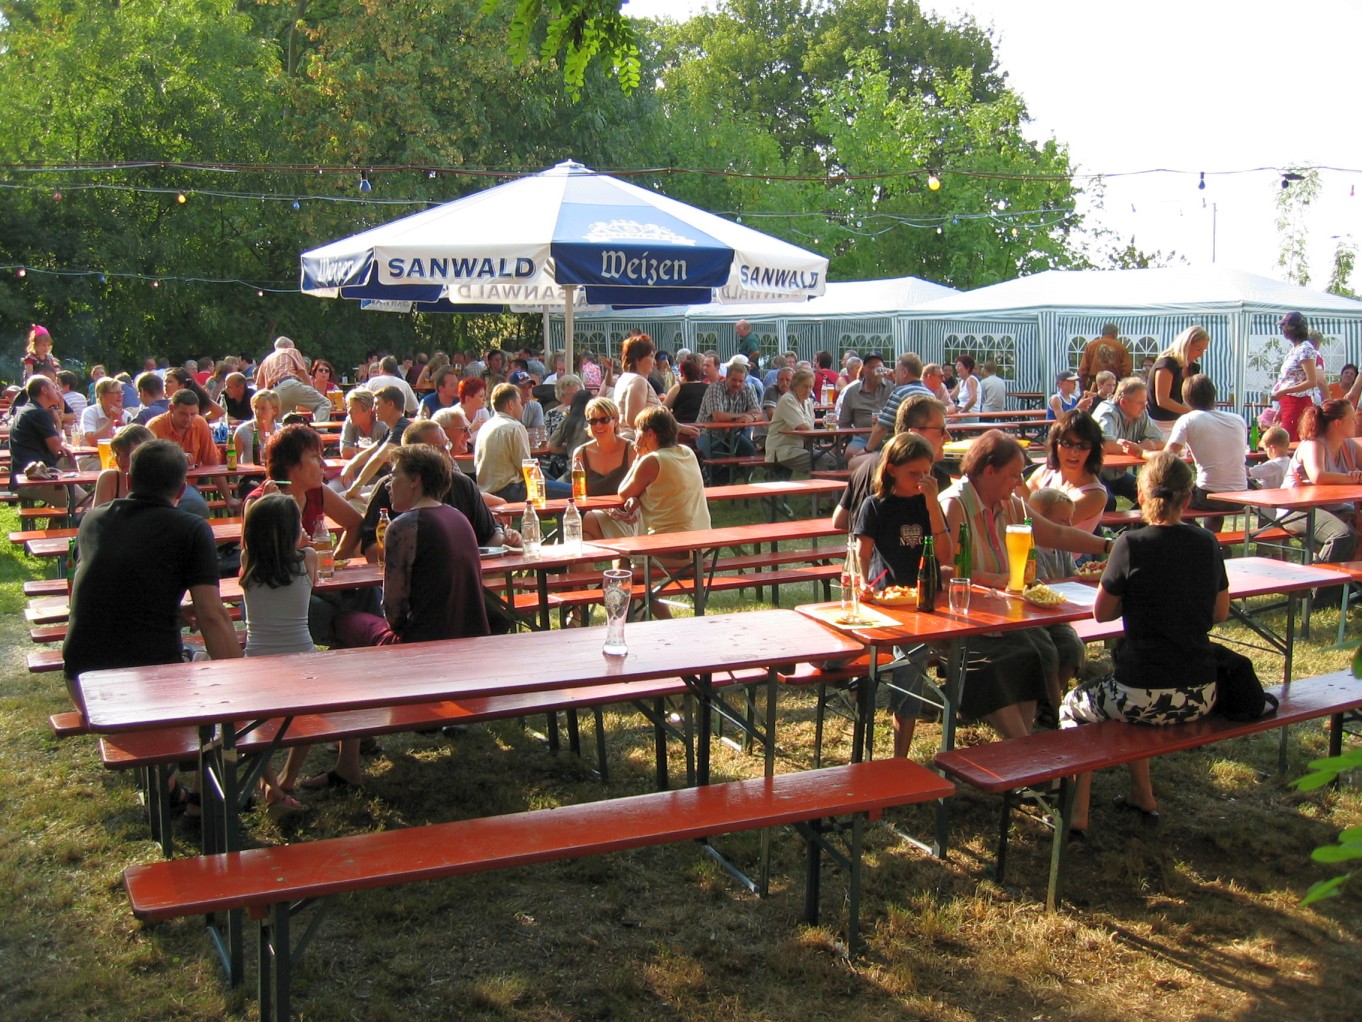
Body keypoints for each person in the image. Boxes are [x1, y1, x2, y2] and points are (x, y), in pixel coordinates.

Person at [1061, 453, 1230, 838]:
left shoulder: (1130, 543)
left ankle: (1077, 813)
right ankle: (1142, 794)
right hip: (1200, 692)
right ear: (1188, 498)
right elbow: (1220, 612)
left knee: (1073, 705)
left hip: (1140, 693)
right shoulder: (1207, 541)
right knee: (1128, 701)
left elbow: (1102, 613)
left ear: (1140, 494)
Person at [304, 444, 490, 790]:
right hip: (469, 648)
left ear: (415, 480)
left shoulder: (404, 526)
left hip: (422, 651)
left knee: (343, 626)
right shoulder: (458, 517)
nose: (389, 484)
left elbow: (392, 610)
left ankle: (348, 756)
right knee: (354, 634)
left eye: (395, 476)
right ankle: (354, 748)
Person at [940, 431, 1112, 738]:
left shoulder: (1011, 503)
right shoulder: (954, 504)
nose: (1019, 482)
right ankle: (1027, 741)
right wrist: (992, 580)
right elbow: (943, 571)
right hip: (971, 615)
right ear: (989, 471)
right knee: (1028, 652)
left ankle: (1031, 733)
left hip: (1009, 609)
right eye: (1013, 475)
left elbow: (1056, 534)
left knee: (1054, 647)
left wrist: (1109, 546)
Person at [63, 440, 242, 712]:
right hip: (150, 682)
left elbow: (110, 586)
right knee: (205, 667)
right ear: (182, 489)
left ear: (129, 480)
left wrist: (170, 609)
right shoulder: (191, 529)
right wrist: (243, 683)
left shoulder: (93, 519)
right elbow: (211, 615)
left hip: (82, 681)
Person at [853, 431, 953, 756]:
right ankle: (899, 751)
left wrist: (933, 504)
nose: (922, 480)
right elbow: (862, 553)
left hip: (925, 600)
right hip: (888, 600)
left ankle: (902, 752)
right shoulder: (875, 505)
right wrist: (863, 582)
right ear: (892, 469)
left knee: (917, 656)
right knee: (909, 657)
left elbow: (946, 554)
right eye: (914, 473)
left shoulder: (928, 505)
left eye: (927, 472)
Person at [239, 493, 317, 805]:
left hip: (256, 663)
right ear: (293, 530)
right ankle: (288, 778)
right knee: (308, 718)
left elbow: (253, 543)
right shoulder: (308, 558)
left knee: (253, 724)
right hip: (303, 659)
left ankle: (270, 784)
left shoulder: (248, 561)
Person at [832, 395, 953, 532]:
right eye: (941, 431)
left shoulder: (866, 466)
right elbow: (948, 534)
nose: (948, 437)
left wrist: (867, 530)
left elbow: (839, 520)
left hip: (860, 545)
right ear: (915, 434)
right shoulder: (930, 477)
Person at [1025, 487, 1089, 724]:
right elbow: (1040, 585)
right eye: (1062, 521)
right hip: (1034, 616)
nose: (1068, 526)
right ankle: (1054, 708)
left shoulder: (1061, 549)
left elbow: (1072, 574)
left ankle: (1050, 701)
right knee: (1047, 652)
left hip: (1057, 615)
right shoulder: (1032, 549)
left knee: (1072, 647)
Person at [1278, 399, 1361, 564]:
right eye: (1352, 418)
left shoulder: (1348, 445)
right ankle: (1318, 579)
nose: (1357, 422)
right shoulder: (1313, 444)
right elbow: (1318, 476)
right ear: (1338, 423)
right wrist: (1353, 478)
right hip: (1297, 509)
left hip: (1334, 508)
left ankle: (1349, 579)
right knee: (1342, 536)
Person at [1164, 374, 1248, 531]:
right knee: (1211, 492)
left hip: (1208, 496)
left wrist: (1141, 452)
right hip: (1240, 494)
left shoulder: (1188, 419)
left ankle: (1198, 534)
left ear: (1186, 399)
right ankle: (1211, 537)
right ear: (1213, 395)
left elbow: (1167, 457)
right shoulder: (1238, 419)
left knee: (1171, 499)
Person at [475, 383, 571, 501]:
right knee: (574, 491)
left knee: (549, 478)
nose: (522, 407)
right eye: (520, 403)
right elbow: (527, 468)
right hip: (510, 489)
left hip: (485, 492)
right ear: (511, 404)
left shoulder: (486, 426)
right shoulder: (514, 427)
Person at [146, 389, 233, 517]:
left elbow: (213, 464)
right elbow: (148, 466)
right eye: (183, 414)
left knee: (197, 507)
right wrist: (174, 457)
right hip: (160, 487)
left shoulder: (200, 423)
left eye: (193, 414)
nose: (188, 419)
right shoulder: (154, 426)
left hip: (187, 486)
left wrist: (228, 498)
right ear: (171, 409)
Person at [1027, 410, 1108, 536]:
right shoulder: (1046, 472)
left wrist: (1015, 480)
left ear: (1093, 450)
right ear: (1055, 444)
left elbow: (1050, 528)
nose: (1074, 452)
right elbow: (1020, 501)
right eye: (1067, 443)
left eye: (1083, 445)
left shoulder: (1095, 495)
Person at [8, 375, 82, 509]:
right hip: (32, 478)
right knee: (83, 502)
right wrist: (58, 423)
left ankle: (60, 519)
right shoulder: (38, 413)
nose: (58, 391)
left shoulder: (29, 409)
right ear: (44, 390)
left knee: (70, 467)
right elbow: (56, 448)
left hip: (26, 475)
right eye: (54, 387)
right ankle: (70, 519)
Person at [573, 397, 639, 542]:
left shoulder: (631, 450)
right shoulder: (581, 454)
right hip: (593, 515)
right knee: (588, 523)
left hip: (626, 517)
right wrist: (603, 509)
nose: (598, 425)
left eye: (604, 420)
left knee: (587, 529)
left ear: (616, 421)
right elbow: (578, 496)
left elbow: (641, 492)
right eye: (593, 421)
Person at [1095, 376, 1165, 509]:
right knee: (1107, 501)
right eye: (1140, 403)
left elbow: (1161, 441)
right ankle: (1121, 523)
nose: (1145, 407)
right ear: (1123, 402)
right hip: (1095, 474)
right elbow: (1106, 445)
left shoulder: (1141, 414)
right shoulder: (1107, 412)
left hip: (1117, 475)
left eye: (1145, 402)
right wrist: (1140, 448)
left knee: (1155, 495)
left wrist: (1149, 446)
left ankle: (1132, 522)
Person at [695, 357, 763, 475]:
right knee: (718, 460)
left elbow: (759, 414)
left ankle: (735, 482)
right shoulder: (714, 389)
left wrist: (751, 418)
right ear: (726, 378)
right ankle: (715, 482)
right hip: (707, 433)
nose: (737, 384)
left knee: (751, 455)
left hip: (733, 434)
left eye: (741, 381)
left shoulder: (748, 390)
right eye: (734, 380)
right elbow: (718, 416)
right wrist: (745, 415)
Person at [860, 353, 933, 460]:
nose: (894, 373)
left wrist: (866, 450)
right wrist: (895, 379)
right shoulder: (930, 394)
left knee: (854, 461)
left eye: (896, 371)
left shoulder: (899, 393)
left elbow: (881, 428)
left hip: (900, 453)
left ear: (904, 372)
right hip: (925, 451)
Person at [766, 368, 834, 476]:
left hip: (800, 448)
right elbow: (803, 428)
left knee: (834, 459)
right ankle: (824, 485)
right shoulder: (788, 400)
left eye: (810, 387)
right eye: (805, 386)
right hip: (782, 449)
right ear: (794, 386)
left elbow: (809, 429)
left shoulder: (808, 402)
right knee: (827, 461)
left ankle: (828, 485)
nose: (808, 390)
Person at [1271, 311, 1325, 441]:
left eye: (1284, 325)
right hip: (1288, 404)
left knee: (1291, 442)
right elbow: (1291, 380)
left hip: (1298, 404)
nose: (1281, 328)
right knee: (1286, 440)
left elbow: (1311, 381)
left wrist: (1284, 391)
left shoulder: (1305, 349)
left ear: (1294, 327)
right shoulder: (1295, 349)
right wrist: (1281, 409)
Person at [254, 336, 332, 420]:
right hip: (288, 384)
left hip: (273, 393)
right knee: (324, 403)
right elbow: (302, 372)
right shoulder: (291, 351)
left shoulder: (266, 360)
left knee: (283, 421)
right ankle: (320, 428)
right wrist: (311, 391)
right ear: (287, 345)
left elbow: (259, 386)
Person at [1148, 325, 1209, 422]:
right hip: (1160, 423)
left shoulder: (1193, 368)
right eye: (1198, 349)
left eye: (1203, 351)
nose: (1201, 355)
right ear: (1186, 345)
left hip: (1181, 419)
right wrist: (1192, 412)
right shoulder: (1166, 364)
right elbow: (1163, 401)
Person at [837, 353, 889, 457]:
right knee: (851, 453)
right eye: (871, 367)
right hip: (863, 438)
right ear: (864, 369)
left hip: (889, 437)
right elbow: (844, 423)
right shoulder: (852, 392)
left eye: (878, 367)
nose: (875, 371)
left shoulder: (893, 388)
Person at [91, 424, 154, 508]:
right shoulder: (109, 479)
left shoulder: (159, 481)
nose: (120, 460)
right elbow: (97, 514)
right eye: (117, 454)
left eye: (127, 455)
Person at [614, 334, 662, 439]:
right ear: (638, 359)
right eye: (651, 356)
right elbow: (634, 420)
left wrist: (679, 427)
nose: (654, 362)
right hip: (637, 441)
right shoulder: (638, 381)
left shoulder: (624, 378)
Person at [541, 374, 583, 479]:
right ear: (561, 396)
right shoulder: (551, 414)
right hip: (556, 462)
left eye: (578, 394)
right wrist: (569, 448)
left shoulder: (586, 413)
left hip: (578, 460)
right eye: (572, 395)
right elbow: (547, 440)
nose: (576, 398)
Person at [232, 388, 282, 467]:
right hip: (250, 473)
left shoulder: (281, 432)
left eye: (263, 408)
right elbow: (233, 462)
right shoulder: (243, 431)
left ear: (274, 410)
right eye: (256, 407)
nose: (258, 412)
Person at [548, 390, 592, 477]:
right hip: (595, 470)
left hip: (574, 471)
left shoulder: (567, 422)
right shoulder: (599, 423)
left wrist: (571, 448)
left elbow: (552, 447)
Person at [1078, 322, 1132, 391]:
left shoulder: (1091, 346)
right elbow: (1127, 371)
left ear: (1102, 333)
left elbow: (1083, 369)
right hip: (1113, 386)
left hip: (1094, 385)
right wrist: (1122, 388)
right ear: (1115, 334)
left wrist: (1083, 388)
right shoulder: (1121, 348)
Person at [78, 377, 127, 448]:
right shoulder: (89, 412)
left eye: (121, 392)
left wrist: (120, 422)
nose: (120, 395)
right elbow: (92, 441)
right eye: (116, 392)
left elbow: (128, 444)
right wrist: (112, 420)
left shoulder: (126, 415)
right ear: (102, 396)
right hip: (91, 454)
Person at [339, 388, 385, 458]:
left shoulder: (381, 426)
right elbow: (345, 452)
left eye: (354, 409)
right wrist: (372, 452)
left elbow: (385, 455)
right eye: (348, 407)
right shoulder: (350, 421)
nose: (349, 412)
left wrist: (357, 451)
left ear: (368, 412)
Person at [663, 355, 710, 424]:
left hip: (681, 427)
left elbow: (663, 409)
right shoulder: (709, 388)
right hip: (704, 426)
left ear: (682, 372)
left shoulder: (677, 388)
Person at [511, 370, 545, 435]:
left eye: (529, 387)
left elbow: (539, 433)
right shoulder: (506, 407)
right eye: (522, 387)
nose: (527, 391)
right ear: (512, 389)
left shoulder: (536, 406)